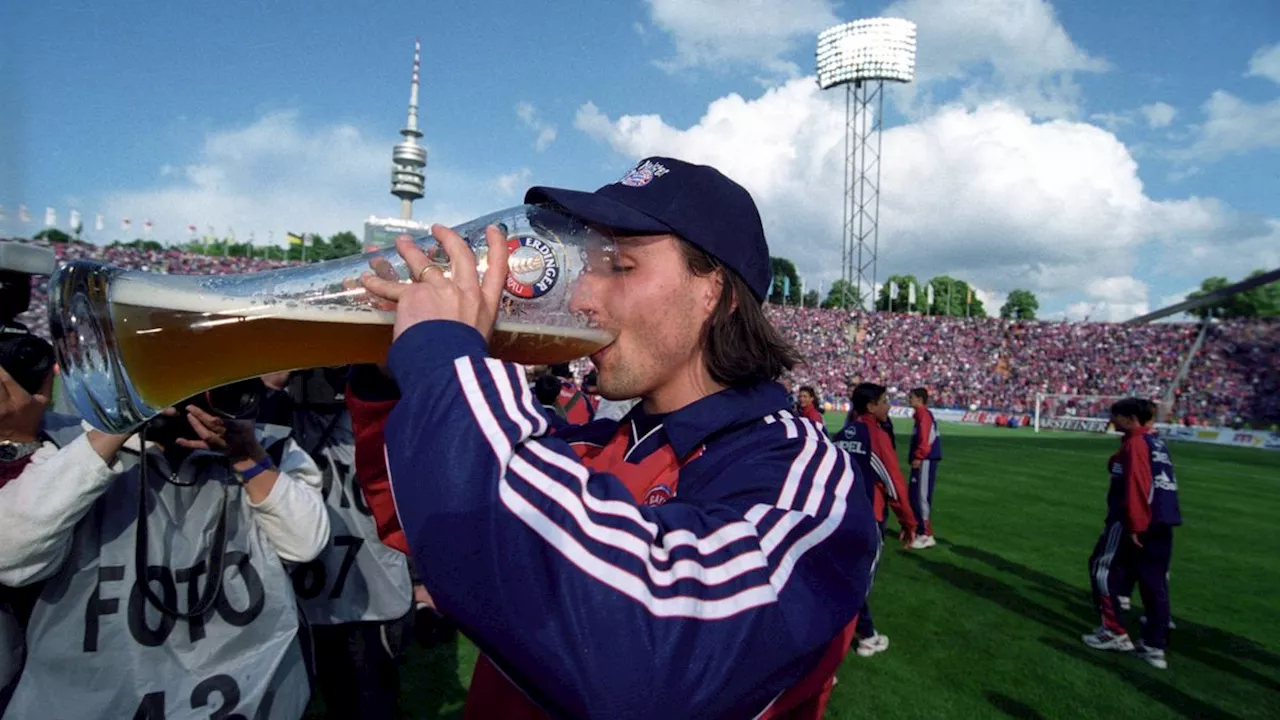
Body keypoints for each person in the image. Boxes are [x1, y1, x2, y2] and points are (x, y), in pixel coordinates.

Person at [348, 156, 880, 718]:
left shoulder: (805, 475)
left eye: (620, 267)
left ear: (716, 295)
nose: (581, 301)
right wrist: (393, 382)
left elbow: (657, 660)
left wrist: (446, 363)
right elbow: (429, 516)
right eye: (586, 268)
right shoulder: (588, 444)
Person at [0, 376, 328, 719]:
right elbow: (11, 554)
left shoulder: (267, 444)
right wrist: (120, 425)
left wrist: (247, 456)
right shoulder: (69, 447)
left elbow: (305, 543)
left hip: (240, 698)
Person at [259, 368, 415, 720]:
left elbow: (410, 493)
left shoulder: (379, 407)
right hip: (300, 592)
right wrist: (270, 387)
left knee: (368, 702)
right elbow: (253, 455)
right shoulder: (273, 412)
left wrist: (420, 580)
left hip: (372, 593)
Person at [1082, 398, 1181, 670]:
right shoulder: (1155, 442)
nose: (1113, 421)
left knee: (1101, 568)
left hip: (1135, 522)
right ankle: (1154, 646)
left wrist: (1136, 524)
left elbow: (1138, 484)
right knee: (1154, 582)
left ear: (1131, 419)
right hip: (1163, 520)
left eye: (1117, 417)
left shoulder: (1137, 443)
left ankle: (1114, 631)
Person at [829, 382, 917, 657]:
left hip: (837, 515)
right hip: (868, 518)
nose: (888, 406)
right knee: (858, 584)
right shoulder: (875, 436)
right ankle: (851, 644)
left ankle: (862, 633)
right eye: (884, 401)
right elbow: (894, 483)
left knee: (842, 578)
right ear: (871, 406)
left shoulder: (842, 434)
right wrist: (909, 523)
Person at [907, 387, 942, 549]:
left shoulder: (923, 415)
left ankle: (926, 534)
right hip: (923, 459)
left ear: (920, 399)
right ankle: (919, 529)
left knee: (921, 495)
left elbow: (925, 439)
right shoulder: (920, 415)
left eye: (911, 397)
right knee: (914, 494)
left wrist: (919, 456)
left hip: (925, 460)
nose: (909, 400)